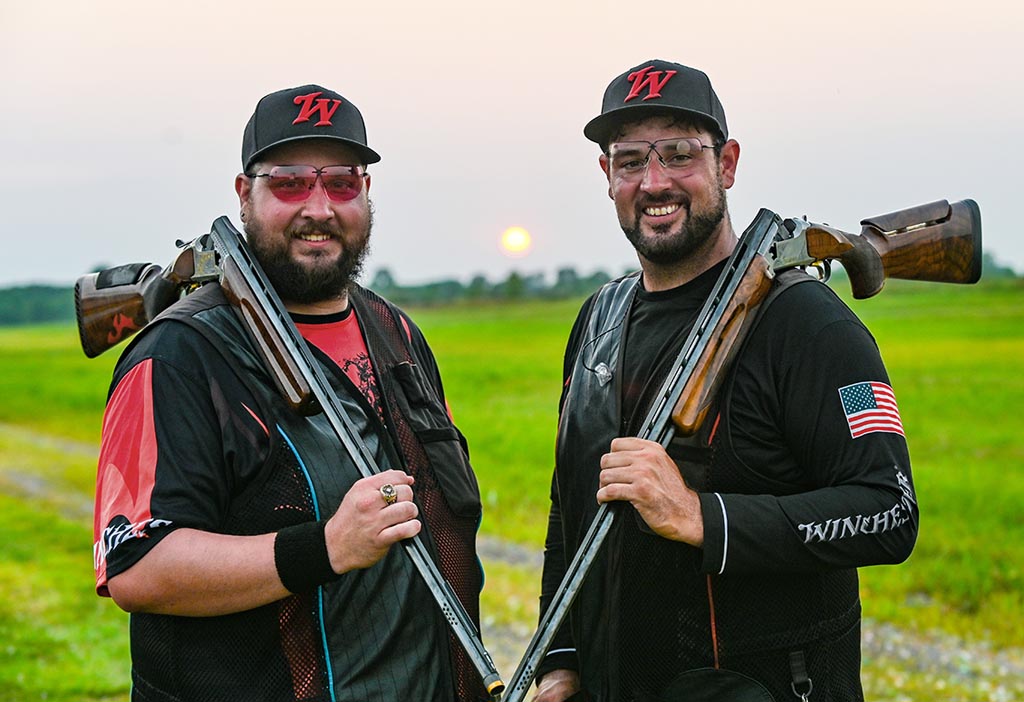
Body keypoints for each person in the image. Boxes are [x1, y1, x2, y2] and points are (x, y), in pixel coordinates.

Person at [533, 60, 919, 702]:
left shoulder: (810, 324)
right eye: (630, 161)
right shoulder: (599, 317)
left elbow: (888, 511)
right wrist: (563, 657)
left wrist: (699, 516)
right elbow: (570, 508)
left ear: (728, 164)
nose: (653, 182)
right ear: (607, 177)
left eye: (679, 154)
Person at [92, 84, 489, 701]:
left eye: (341, 183)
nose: (320, 207)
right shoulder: (177, 355)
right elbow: (138, 568)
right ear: (242, 193)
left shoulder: (397, 331)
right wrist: (324, 547)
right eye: (289, 183)